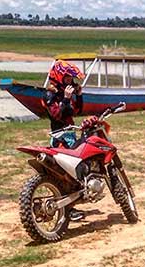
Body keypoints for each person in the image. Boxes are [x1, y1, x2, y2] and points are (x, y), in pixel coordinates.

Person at [43, 60, 87, 220]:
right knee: (65, 172)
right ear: (59, 76)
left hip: (70, 133)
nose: (70, 81)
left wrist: (79, 96)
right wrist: (66, 99)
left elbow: (76, 111)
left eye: (71, 78)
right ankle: (68, 208)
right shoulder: (50, 94)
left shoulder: (64, 92)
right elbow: (57, 115)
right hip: (59, 135)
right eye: (67, 78)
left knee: (75, 169)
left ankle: (74, 202)